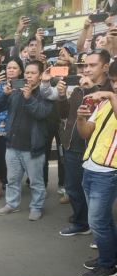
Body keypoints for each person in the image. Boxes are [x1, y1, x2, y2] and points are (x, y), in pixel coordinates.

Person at [57, 49, 112, 238]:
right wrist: (63, 95)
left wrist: (91, 89)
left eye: (92, 65)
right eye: (84, 65)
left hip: (96, 150)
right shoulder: (80, 87)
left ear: (105, 67)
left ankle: (100, 232)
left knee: (96, 195)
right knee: (73, 187)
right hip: (72, 145)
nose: (86, 69)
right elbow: (65, 114)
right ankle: (82, 223)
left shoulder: (110, 90)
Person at [0, 60, 53, 221]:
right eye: (27, 72)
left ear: (41, 76)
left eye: (33, 73)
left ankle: (36, 207)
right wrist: (5, 94)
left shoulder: (45, 93)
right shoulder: (16, 90)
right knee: (12, 180)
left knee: (36, 182)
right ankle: (12, 204)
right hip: (12, 145)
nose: (28, 75)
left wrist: (29, 98)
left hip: (33, 148)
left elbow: (41, 113)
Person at [75, 60, 117, 276]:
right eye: (113, 81)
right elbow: (86, 133)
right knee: (104, 220)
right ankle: (109, 257)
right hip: (91, 166)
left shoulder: (109, 99)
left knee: (98, 222)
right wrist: (81, 116)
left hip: (109, 171)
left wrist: (110, 96)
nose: (116, 85)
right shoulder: (103, 103)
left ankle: (107, 265)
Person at [0, 58, 24, 201]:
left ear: (20, 70)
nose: (11, 70)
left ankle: (11, 185)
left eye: (14, 68)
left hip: (16, 128)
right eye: (8, 68)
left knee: (13, 160)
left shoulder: (24, 85)